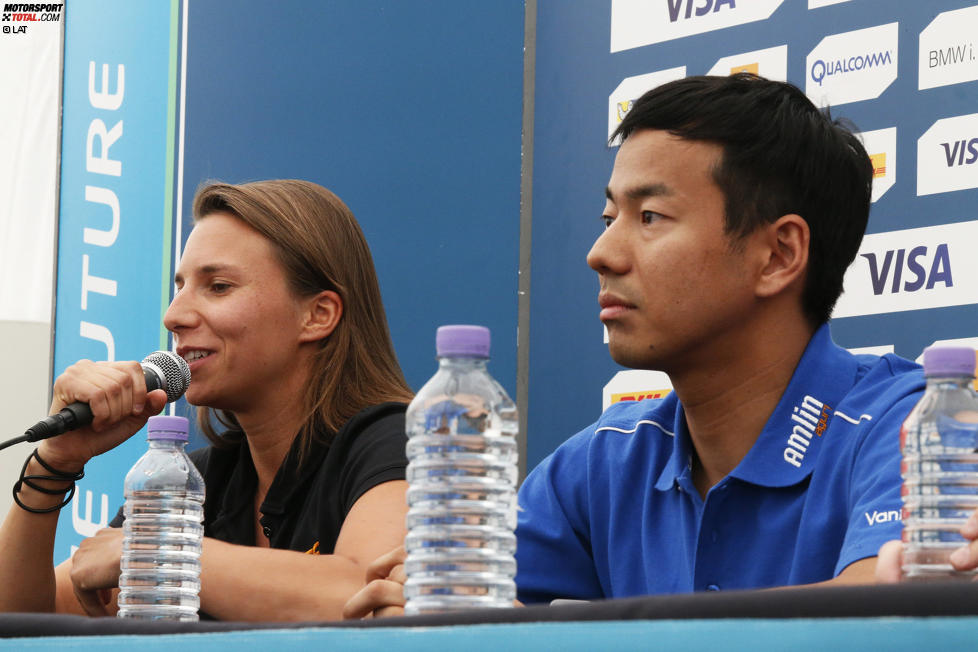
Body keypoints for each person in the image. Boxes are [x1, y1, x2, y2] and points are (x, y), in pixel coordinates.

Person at [342, 73, 927, 619]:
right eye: (608, 216)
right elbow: (460, 604)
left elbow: (880, 612)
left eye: (649, 217)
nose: (601, 253)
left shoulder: (907, 424)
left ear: (778, 255)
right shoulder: (604, 459)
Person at [0, 179, 414, 621]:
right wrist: (53, 463)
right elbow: (24, 621)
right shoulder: (193, 477)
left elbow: (367, 594)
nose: (174, 315)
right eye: (179, 286)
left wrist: (158, 553)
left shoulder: (397, 442)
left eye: (217, 286)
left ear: (318, 315)